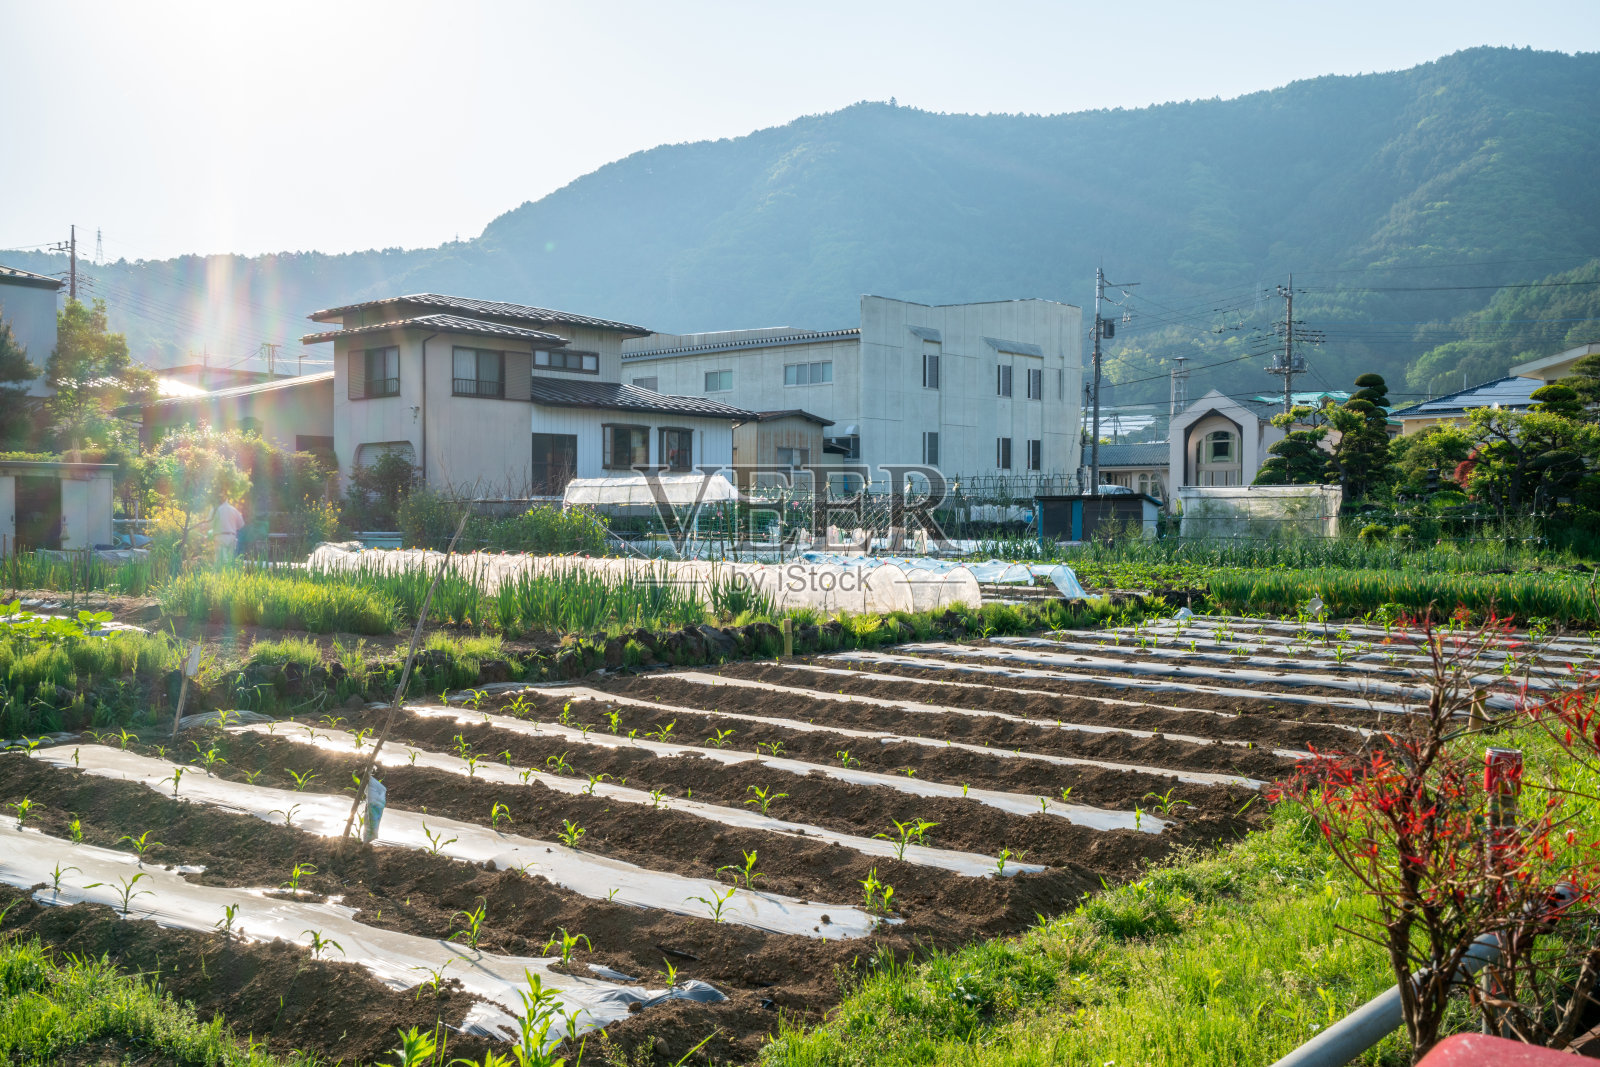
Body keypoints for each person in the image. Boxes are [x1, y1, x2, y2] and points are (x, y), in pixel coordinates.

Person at [211, 497, 245, 563]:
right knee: (230, 561)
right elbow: (241, 524)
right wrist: (233, 527)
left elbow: (209, 524)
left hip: (219, 537)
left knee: (220, 561)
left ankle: (220, 572)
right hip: (231, 536)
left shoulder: (215, 510)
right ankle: (229, 572)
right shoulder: (234, 510)